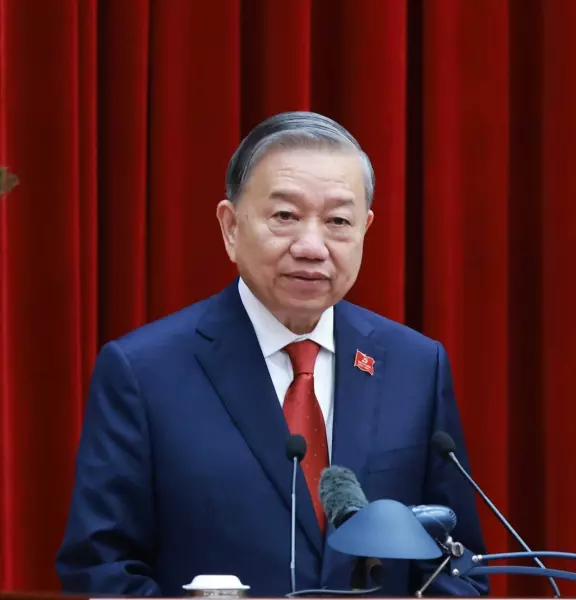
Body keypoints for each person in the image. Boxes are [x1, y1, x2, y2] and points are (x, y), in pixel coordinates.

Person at [56, 112, 488, 597]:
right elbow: (102, 567)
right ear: (230, 227)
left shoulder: (415, 366)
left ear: (365, 229)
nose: (311, 246)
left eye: (338, 221)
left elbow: (456, 562)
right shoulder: (143, 371)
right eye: (285, 216)